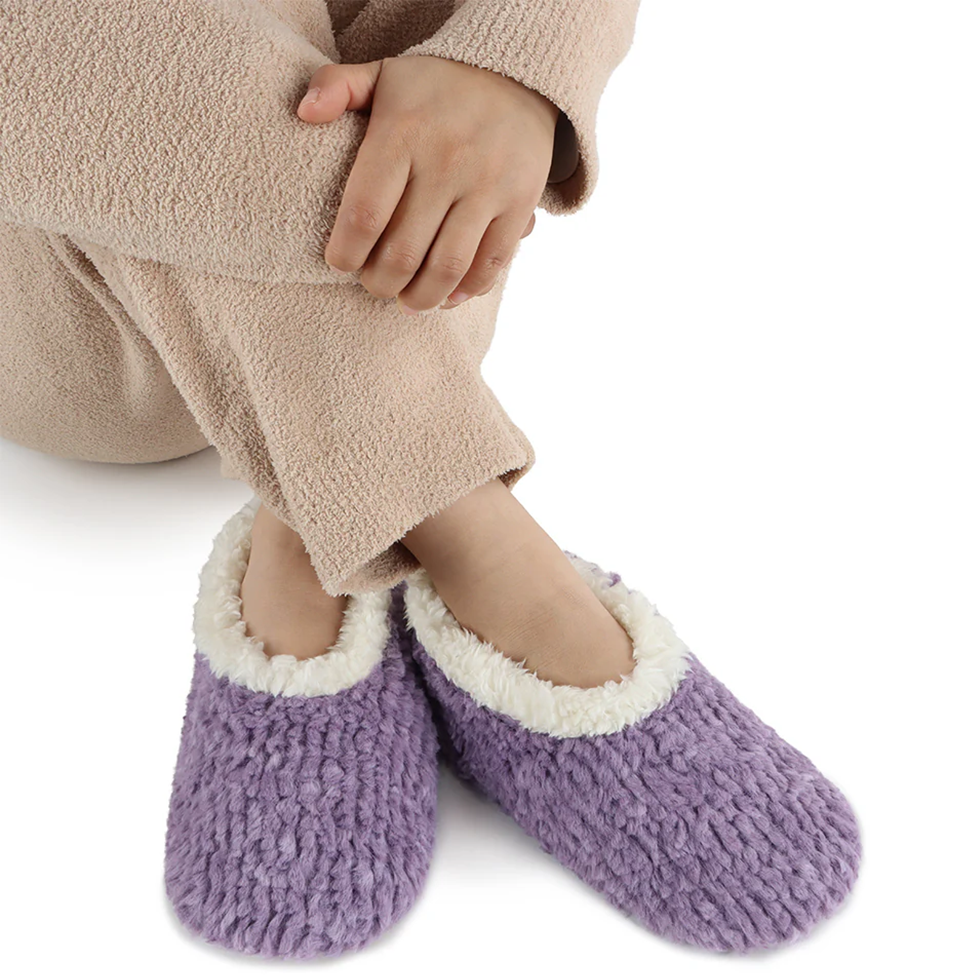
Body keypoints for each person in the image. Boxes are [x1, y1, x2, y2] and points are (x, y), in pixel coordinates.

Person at [0, 0, 862, 961]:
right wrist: (445, 145)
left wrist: (515, 62)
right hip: (70, 315)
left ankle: (322, 501)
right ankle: (471, 531)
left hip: (421, 241)